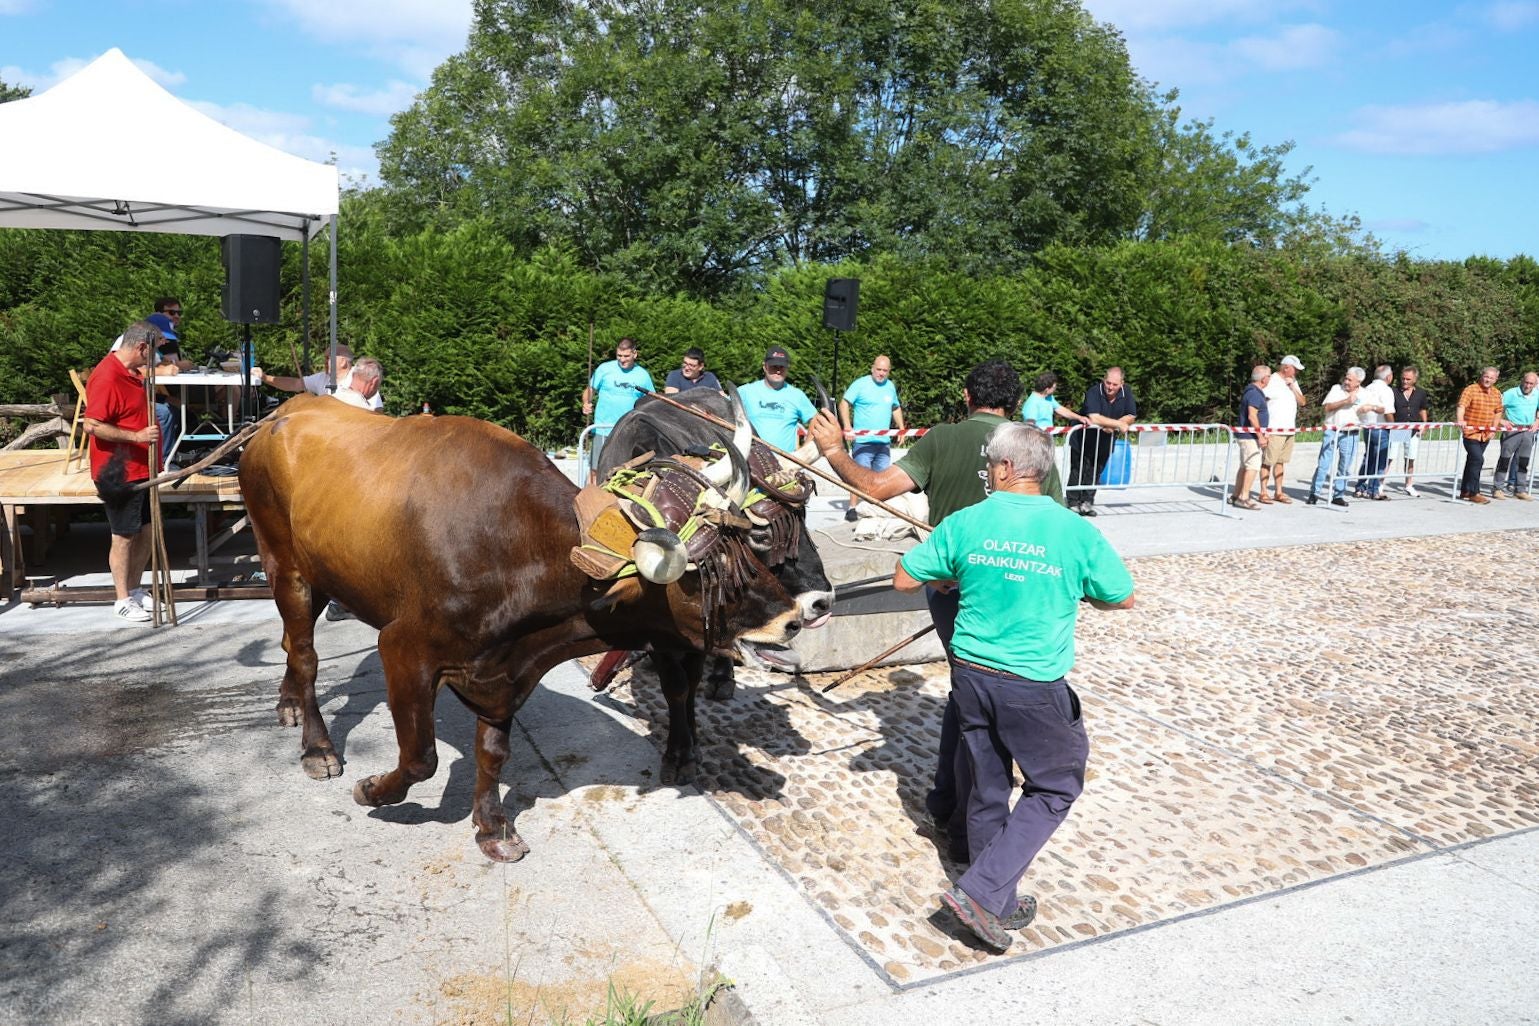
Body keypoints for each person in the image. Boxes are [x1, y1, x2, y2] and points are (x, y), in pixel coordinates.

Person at [809, 360, 1065, 858]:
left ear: (967, 394)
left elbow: (874, 488)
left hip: (951, 591)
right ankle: (952, 809)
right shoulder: (1034, 447)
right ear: (1013, 401)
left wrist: (835, 451)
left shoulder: (942, 438)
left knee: (971, 697)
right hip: (1019, 592)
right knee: (976, 698)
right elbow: (1053, 522)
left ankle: (953, 811)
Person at [894, 422, 1134, 952]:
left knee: (988, 787)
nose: (987, 474)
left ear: (1004, 469)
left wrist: (948, 574)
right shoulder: (1075, 530)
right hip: (1032, 682)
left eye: (989, 467)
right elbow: (1122, 597)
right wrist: (1080, 591)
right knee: (1055, 787)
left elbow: (905, 578)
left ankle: (996, 898)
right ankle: (981, 891)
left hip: (973, 676)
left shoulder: (966, 522)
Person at [83, 320, 165, 624]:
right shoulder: (107, 375)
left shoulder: (133, 374)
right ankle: (121, 599)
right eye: (152, 352)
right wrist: (136, 437)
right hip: (120, 471)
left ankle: (134, 587)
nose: (155, 360)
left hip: (143, 467)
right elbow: (91, 424)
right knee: (124, 535)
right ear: (141, 347)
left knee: (145, 531)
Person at [840, 355, 906, 520]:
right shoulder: (860, 384)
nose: (881, 373)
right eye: (879, 369)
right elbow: (844, 403)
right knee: (858, 477)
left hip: (883, 443)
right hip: (863, 442)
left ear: (889, 371)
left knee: (882, 480)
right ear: (872, 368)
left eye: (885, 370)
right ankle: (852, 508)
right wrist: (847, 426)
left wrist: (902, 429)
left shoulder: (890, 387)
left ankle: (877, 509)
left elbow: (895, 408)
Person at [582, 337, 654, 484]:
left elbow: (651, 400)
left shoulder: (643, 375)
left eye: (626, 356)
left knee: (623, 470)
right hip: (602, 429)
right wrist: (586, 402)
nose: (622, 360)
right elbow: (590, 389)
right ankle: (589, 501)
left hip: (627, 432)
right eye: (619, 356)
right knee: (595, 469)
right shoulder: (604, 369)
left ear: (635, 354)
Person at [1067, 367, 1137, 516]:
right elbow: (1094, 417)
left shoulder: (1127, 392)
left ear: (1122, 384)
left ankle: (1087, 502)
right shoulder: (1094, 392)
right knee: (1078, 470)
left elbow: (1131, 415)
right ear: (1103, 380)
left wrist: (1112, 424)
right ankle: (1073, 502)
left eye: (1114, 384)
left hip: (1105, 440)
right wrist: (1117, 424)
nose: (1110, 387)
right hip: (1083, 438)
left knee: (1095, 471)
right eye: (1108, 383)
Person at [260, 343, 384, 412]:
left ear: (343, 362)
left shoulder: (360, 378)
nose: (324, 362)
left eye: (328, 358)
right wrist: (265, 377)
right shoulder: (322, 377)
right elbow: (295, 384)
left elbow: (377, 413)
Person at [738, 346, 817, 451]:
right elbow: (720, 409)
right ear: (764, 366)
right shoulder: (745, 392)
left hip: (786, 463)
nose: (778, 371)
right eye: (774, 366)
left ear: (787, 368)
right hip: (752, 461)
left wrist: (805, 450)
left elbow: (816, 420)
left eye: (782, 367)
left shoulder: (797, 395)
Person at [1308, 367, 1367, 507]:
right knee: (1323, 464)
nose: (1346, 381)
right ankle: (1314, 493)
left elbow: (1376, 408)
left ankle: (1338, 495)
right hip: (1333, 430)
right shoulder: (1336, 389)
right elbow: (1327, 408)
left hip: (1351, 433)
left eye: (1349, 379)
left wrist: (1370, 408)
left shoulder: (1365, 393)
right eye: (1346, 378)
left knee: (1345, 466)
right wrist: (1346, 401)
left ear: (1358, 382)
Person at [1455, 367, 1507, 504]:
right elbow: (1462, 406)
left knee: (1472, 460)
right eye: (1486, 376)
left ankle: (1465, 490)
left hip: (1486, 434)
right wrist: (1460, 419)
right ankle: (1474, 492)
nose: (1488, 379)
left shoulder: (1496, 393)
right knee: (1478, 460)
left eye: (1491, 378)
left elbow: (1498, 412)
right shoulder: (1471, 389)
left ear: (1496, 379)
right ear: (1482, 376)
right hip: (1471, 433)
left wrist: (1494, 429)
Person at [1260, 355, 1305, 502]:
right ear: (1286, 367)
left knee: (1281, 462)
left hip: (1289, 429)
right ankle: (1263, 492)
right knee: (1268, 461)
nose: (1296, 372)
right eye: (1295, 369)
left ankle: (1278, 492)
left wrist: (1292, 387)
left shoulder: (1293, 382)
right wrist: (1264, 430)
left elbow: (1303, 402)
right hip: (1274, 429)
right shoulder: (1272, 381)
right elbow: (1262, 403)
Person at [1493, 370, 1538, 500]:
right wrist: (1502, 421)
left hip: (1528, 431)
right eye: (1526, 382)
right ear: (1522, 381)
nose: (1528, 386)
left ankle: (1520, 489)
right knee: (1505, 460)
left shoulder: (1537, 394)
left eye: (1531, 384)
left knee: (1523, 461)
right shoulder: (1510, 393)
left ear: (1535, 385)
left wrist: (1537, 421)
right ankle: (1498, 488)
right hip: (1512, 430)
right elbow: (1495, 408)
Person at [1352, 365, 1395, 500]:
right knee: (1380, 460)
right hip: (1381, 428)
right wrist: (1393, 426)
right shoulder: (1386, 390)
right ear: (1389, 377)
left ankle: (1360, 487)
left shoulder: (1367, 388)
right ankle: (1374, 490)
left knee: (1368, 458)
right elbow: (1387, 411)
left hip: (1367, 427)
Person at [1230, 366, 1270, 510]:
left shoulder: (1252, 392)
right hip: (1250, 437)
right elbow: (1252, 416)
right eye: (1269, 376)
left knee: (1244, 466)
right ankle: (1243, 497)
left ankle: (1236, 495)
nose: (1270, 379)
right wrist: (1260, 436)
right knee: (1253, 466)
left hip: (1247, 436)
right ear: (1264, 378)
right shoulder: (1254, 393)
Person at [1389, 366, 1430, 497]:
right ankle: (1379, 484)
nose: (1405, 381)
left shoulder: (1421, 393)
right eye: (1403, 378)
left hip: (1413, 429)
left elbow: (1423, 409)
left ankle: (1409, 485)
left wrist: (1424, 424)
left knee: (1410, 458)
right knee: (1389, 457)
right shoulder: (1393, 391)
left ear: (1414, 379)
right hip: (1398, 428)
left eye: (1408, 379)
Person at [1020, 372, 1089, 431]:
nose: (1055, 389)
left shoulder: (1049, 398)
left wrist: (1080, 418)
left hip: (1047, 440)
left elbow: (1061, 410)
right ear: (1046, 389)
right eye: (1054, 388)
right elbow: (1030, 427)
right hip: (1037, 442)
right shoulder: (1032, 404)